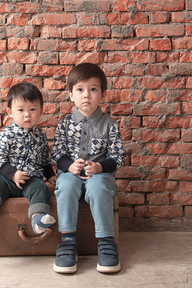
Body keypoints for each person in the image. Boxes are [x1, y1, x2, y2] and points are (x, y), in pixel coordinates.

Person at [50, 63, 126, 274]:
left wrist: (101, 166)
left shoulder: (110, 124)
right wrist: (69, 166)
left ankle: (106, 242)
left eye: (93, 89)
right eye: (80, 89)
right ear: (71, 94)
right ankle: (67, 242)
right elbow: (56, 153)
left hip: (100, 177)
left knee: (98, 188)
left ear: (102, 93)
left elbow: (119, 156)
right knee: (65, 186)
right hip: (70, 176)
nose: (87, 95)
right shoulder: (64, 124)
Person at [0, 82, 57, 242]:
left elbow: (44, 159)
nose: (27, 115)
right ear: (10, 112)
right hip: (4, 179)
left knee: (41, 189)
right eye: (21, 110)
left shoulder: (41, 135)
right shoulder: (6, 135)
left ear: (41, 111)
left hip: (31, 179)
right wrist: (13, 174)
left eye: (32, 109)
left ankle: (38, 219)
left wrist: (50, 175)